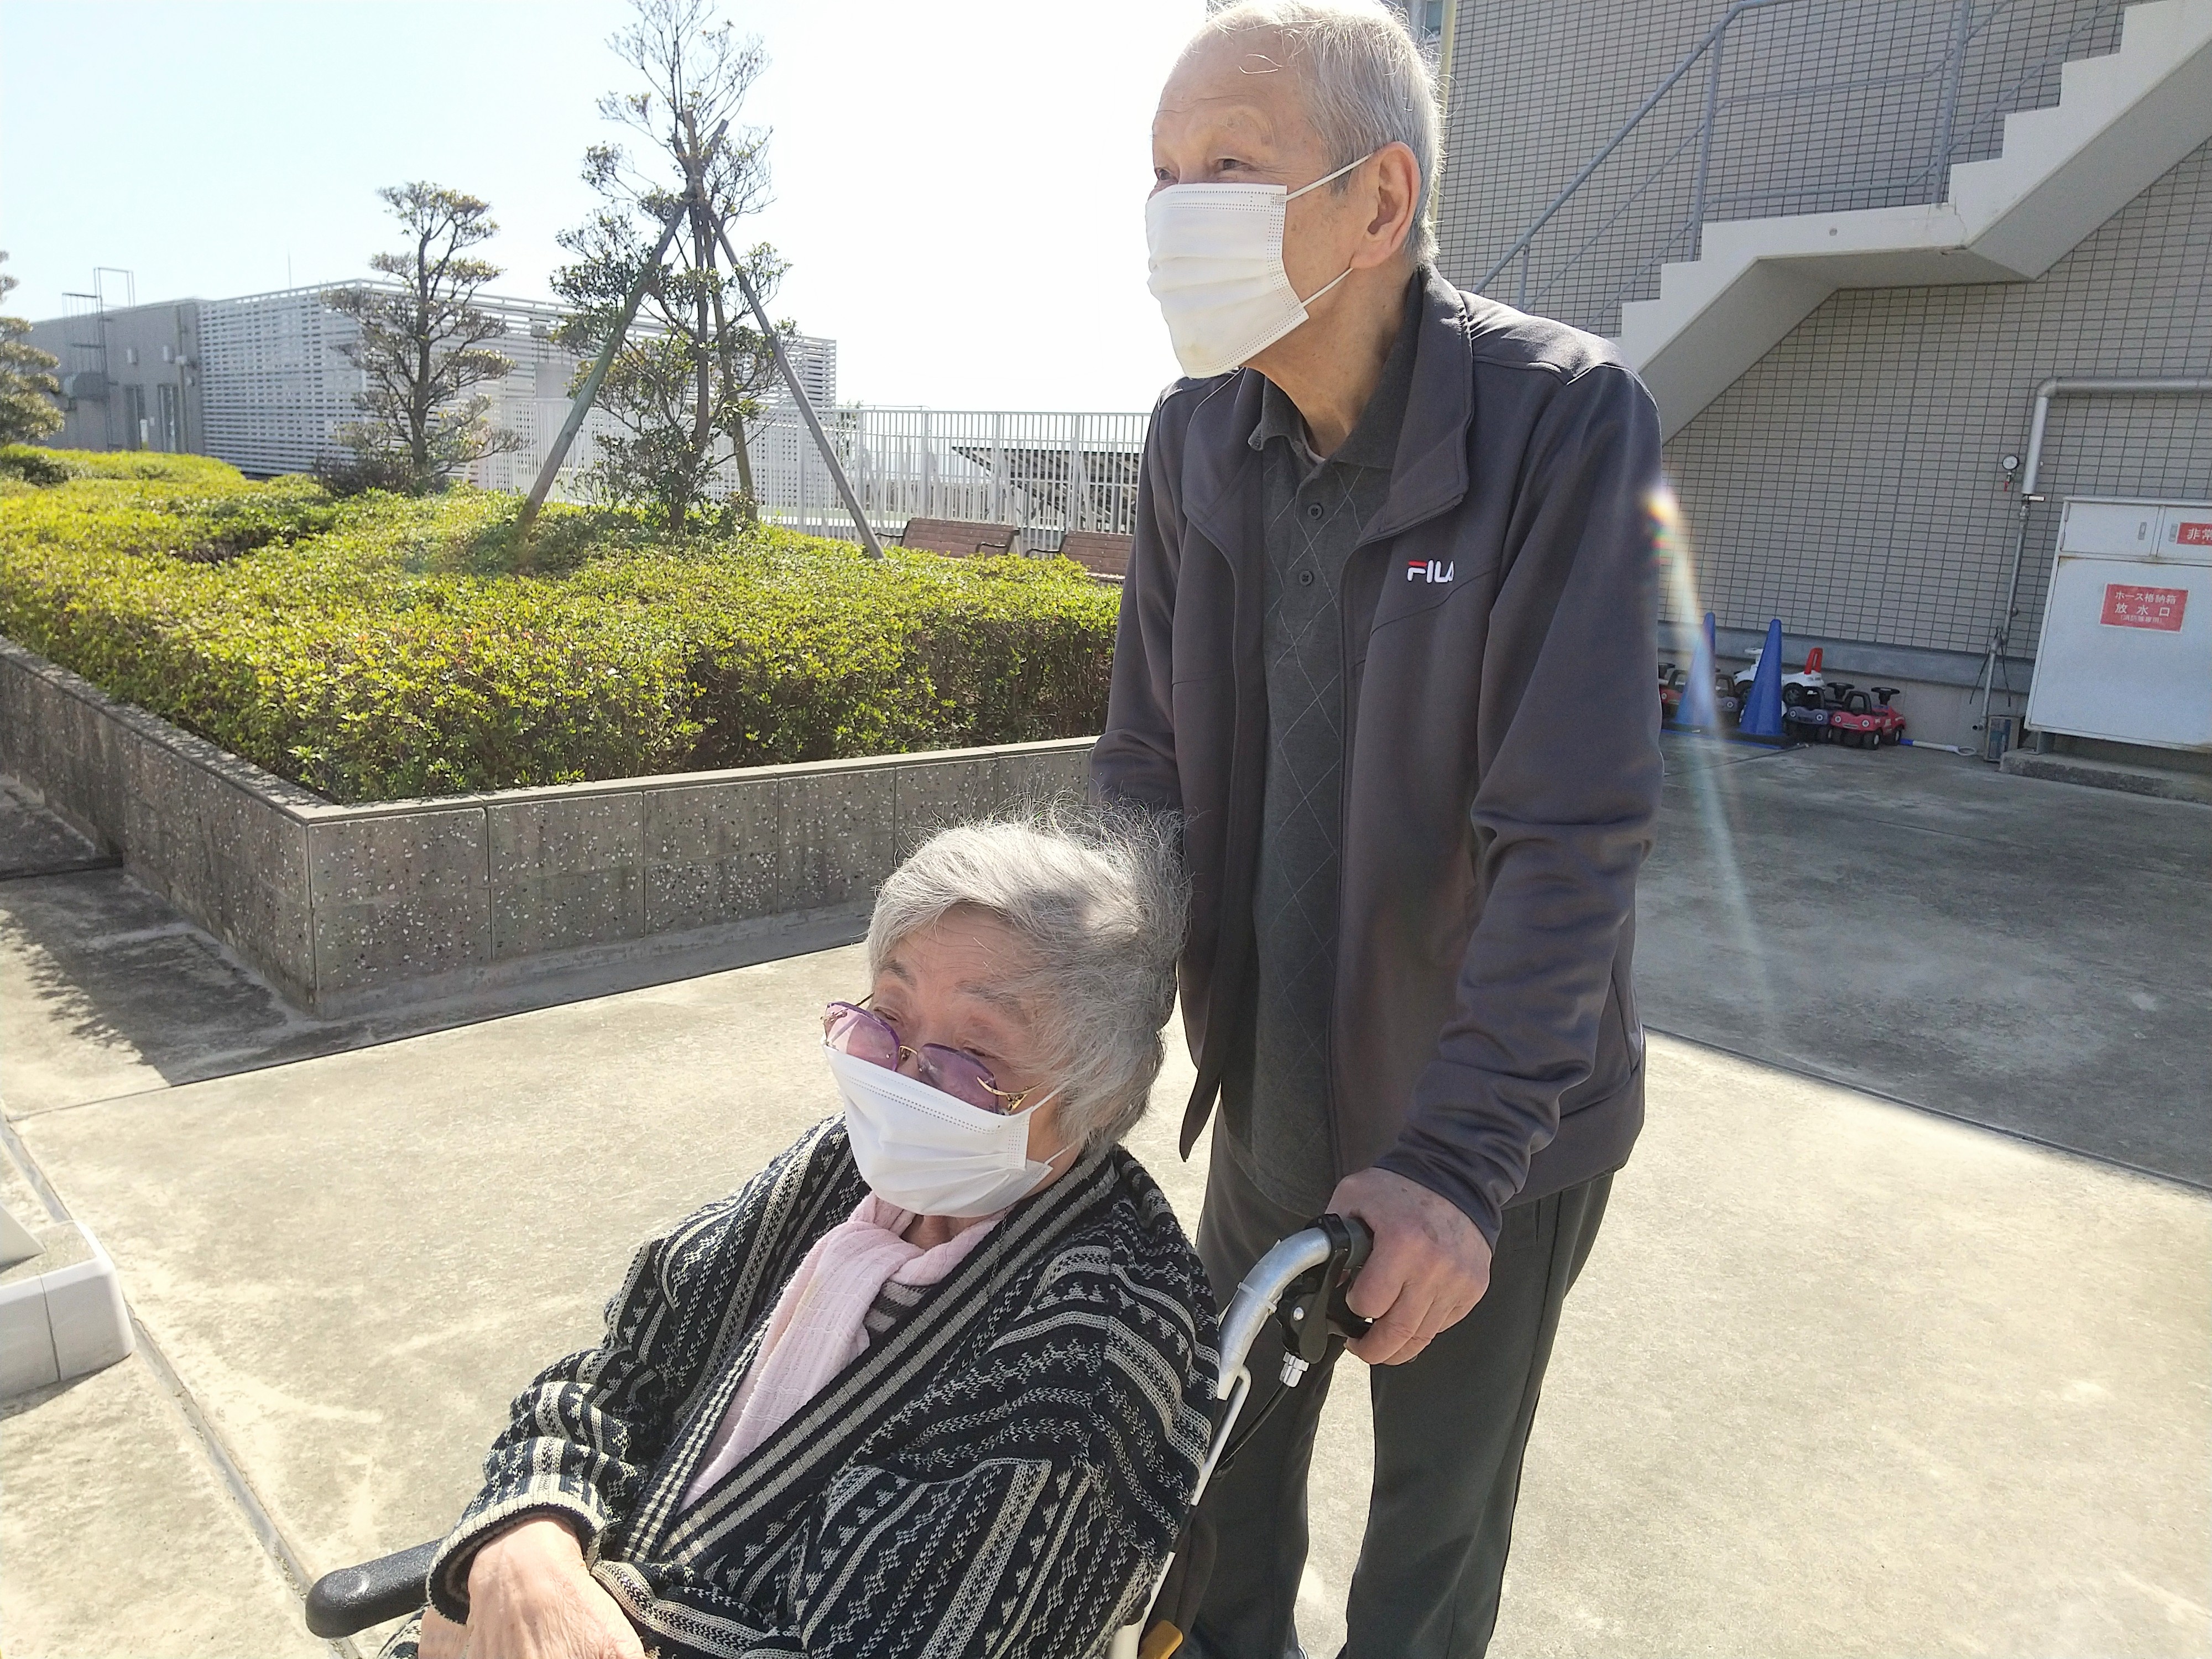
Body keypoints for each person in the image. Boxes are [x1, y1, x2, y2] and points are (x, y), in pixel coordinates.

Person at [1092, 2, 1665, 1655]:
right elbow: (1144, 770)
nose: (1174, 212)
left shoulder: (1560, 422)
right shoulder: (1197, 434)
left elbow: (1570, 833)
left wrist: (1458, 1168)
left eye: (1228, 165)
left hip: (1493, 1126)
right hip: (1269, 1092)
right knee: (1212, 1495)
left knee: (1430, 1538)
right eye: (1159, 173)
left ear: (1379, 201)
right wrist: (1069, 1030)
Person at [402, 813, 1216, 1659]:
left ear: (1093, 1096)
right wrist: (526, 1545)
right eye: (888, 1017)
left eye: (975, 1056)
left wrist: (569, 1620)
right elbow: (632, 1365)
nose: (903, 1081)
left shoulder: (1091, 1358)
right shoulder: (846, 1169)